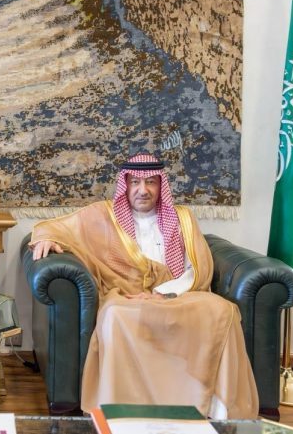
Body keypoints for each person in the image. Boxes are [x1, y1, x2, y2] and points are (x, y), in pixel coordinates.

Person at [30, 153, 258, 419]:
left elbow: (198, 267)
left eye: (150, 182)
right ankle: (126, 410)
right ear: (125, 185)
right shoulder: (103, 215)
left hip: (177, 294)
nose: (143, 190)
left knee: (222, 311)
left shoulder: (182, 219)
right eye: (135, 182)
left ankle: (213, 408)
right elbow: (57, 227)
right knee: (116, 316)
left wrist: (165, 292)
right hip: (127, 295)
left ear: (161, 186)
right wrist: (46, 238)